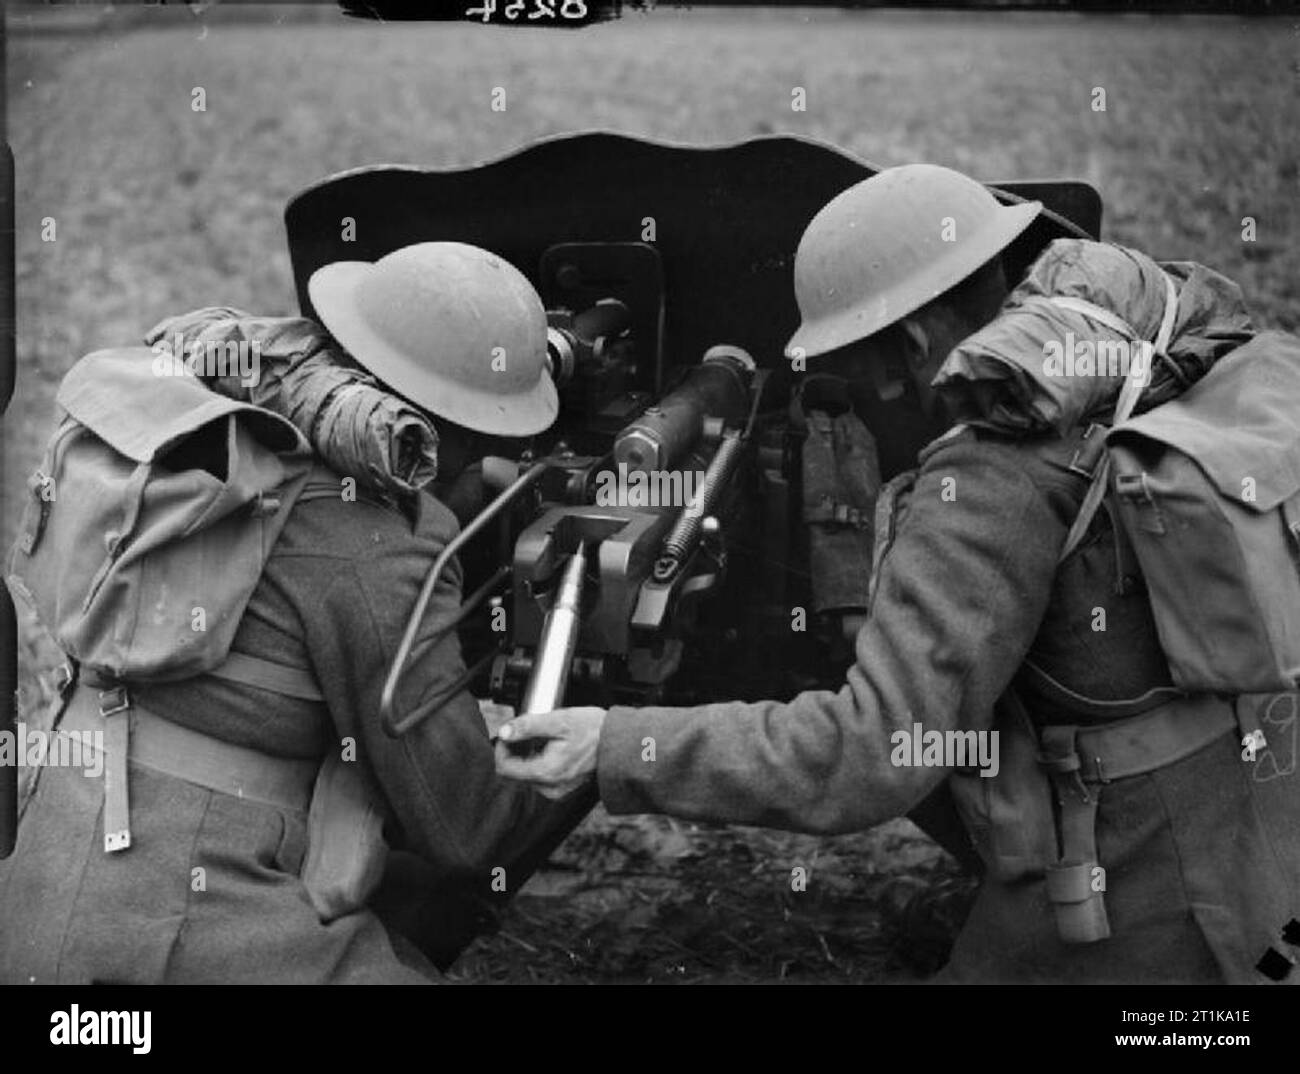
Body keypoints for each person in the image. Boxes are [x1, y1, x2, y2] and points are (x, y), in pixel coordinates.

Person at [495, 165, 1300, 983]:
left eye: (866, 365)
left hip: (1149, 869)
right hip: (1253, 787)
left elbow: (871, 753)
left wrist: (613, 746)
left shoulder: (994, 477)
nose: (872, 392)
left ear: (914, 344)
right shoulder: (1121, 340)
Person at [0, 241, 591, 984]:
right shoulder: (379, 536)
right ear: (469, 427)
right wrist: (604, 736)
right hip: (172, 923)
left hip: (48, 882)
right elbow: (464, 826)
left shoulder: (218, 429)